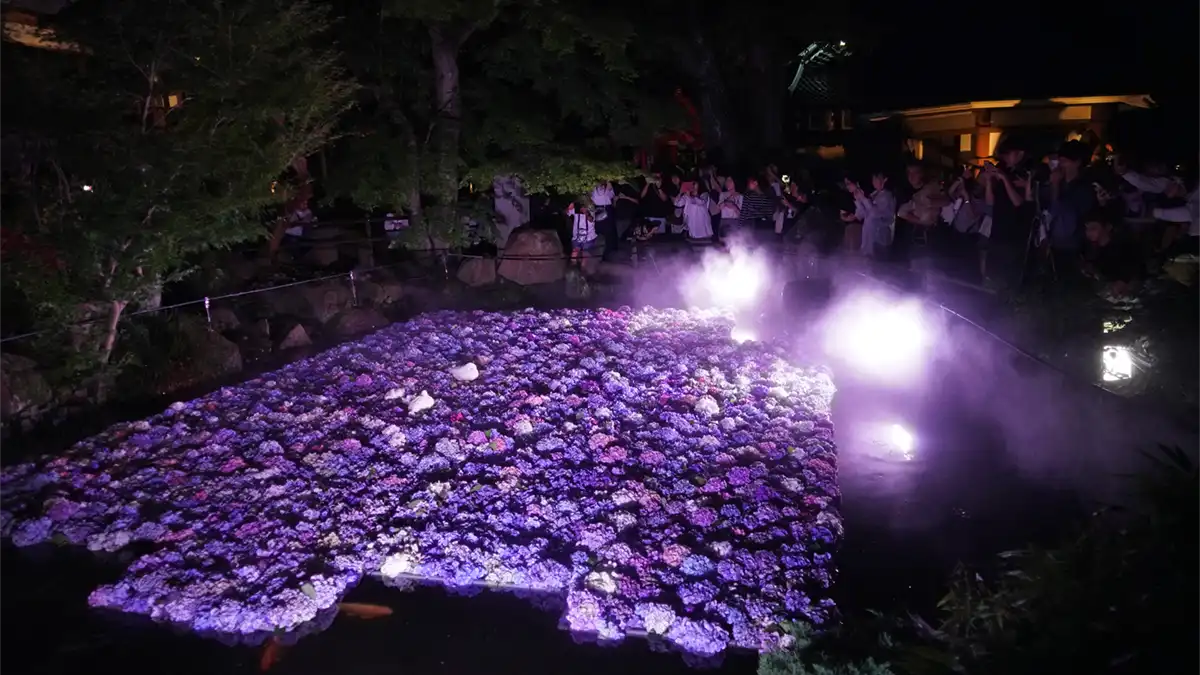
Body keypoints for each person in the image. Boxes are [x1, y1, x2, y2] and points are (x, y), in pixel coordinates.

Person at [1044, 140, 1096, 276]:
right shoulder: (1059, 184)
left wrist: (1055, 185)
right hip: (1053, 243)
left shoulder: (1083, 188)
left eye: (1064, 161)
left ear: (1077, 162)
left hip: (1073, 246)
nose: (1060, 166)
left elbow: (1061, 210)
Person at [895, 161, 948, 262]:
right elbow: (901, 213)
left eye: (915, 173)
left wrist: (932, 202)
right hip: (913, 238)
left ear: (922, 174)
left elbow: (947, 201)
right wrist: (921, 221)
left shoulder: (931, 188)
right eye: (909, 173)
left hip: (934, 237)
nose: (911, 176)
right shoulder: (904, 192)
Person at [1081, 213, 1140, 299]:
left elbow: (1131, 271)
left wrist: (1122, 282)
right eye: (1087, 229)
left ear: (1108, 227)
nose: (1089, 232)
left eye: (1093, 228)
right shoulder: (1089, 248)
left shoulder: (1122, 248)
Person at [849, 173, 896, 258]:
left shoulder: (887, 196)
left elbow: (875, 213)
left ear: (885, 180)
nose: (873, 182)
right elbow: (862, 214)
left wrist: (863, 198)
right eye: (873, 179)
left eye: (876, 179)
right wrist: (858, 199)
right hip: (868, 242)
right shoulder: (873, 194)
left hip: (879, 241)